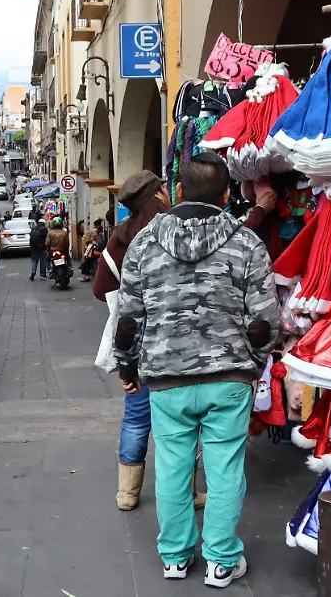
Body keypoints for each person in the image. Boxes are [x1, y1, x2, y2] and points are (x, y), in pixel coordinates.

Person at [113, 152, 278, 587]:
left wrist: (127, 366)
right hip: (230, 376)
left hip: (166, 380)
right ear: (226, 197)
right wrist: (254, 364)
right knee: (225, 467)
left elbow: (128, 318)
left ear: (179, 190)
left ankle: (175, 556)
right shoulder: (247, 244)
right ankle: (222, 560)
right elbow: (265, 321)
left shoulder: (144, 244)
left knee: (172, 465)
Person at [92, 171, 175, 512]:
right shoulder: (174, 230)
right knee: (179, 420)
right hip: (175, 337)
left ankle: (128, 492)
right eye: (164, 189)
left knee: (137, 415)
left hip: (136, 339)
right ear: (157, 195)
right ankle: (182, 490)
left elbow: (100, 289)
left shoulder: (119, 239)